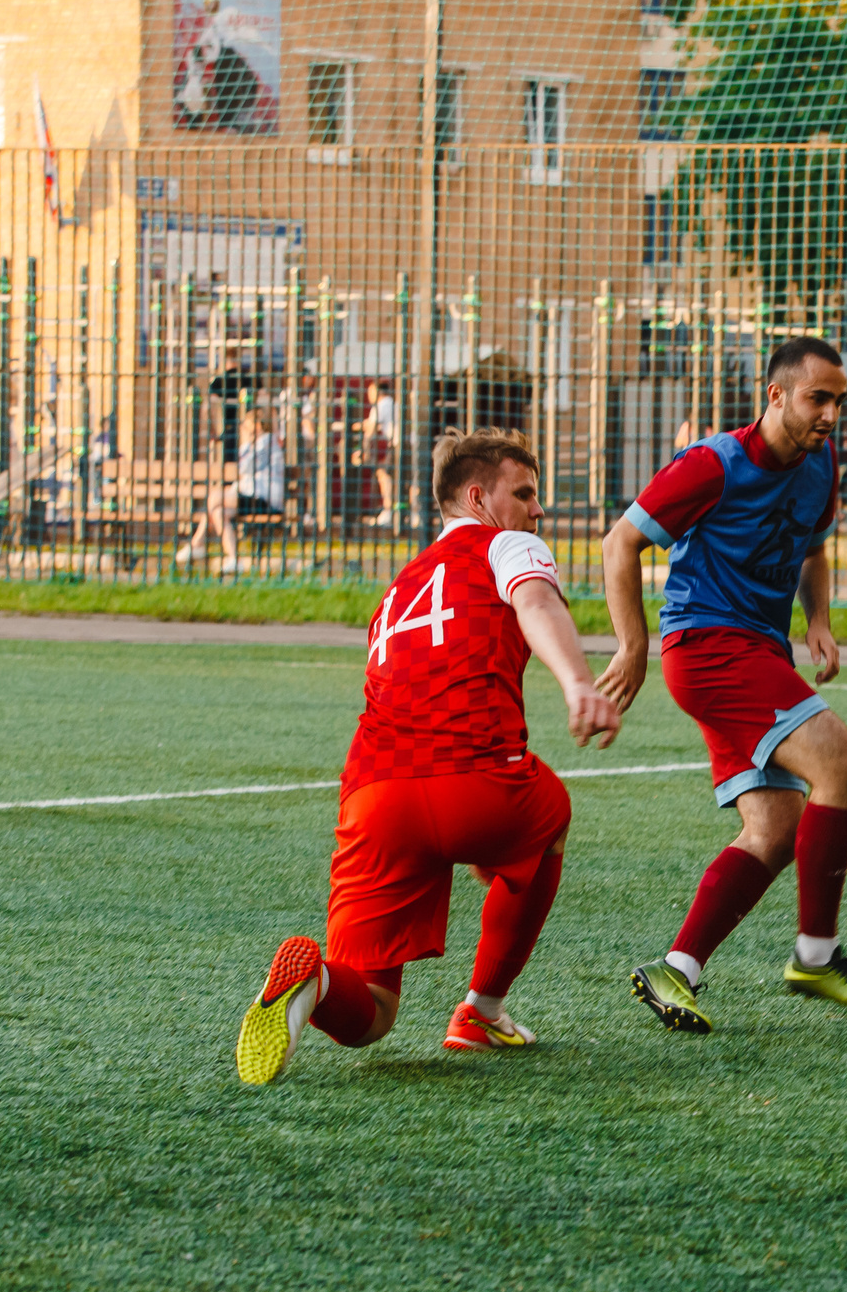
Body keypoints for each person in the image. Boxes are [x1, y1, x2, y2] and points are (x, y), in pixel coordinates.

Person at [232, 430, 623, 1086]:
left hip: (372, 797)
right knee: (551, 815)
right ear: (478, 496)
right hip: (473, 776)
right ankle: (481, 1011)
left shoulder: (398, 587)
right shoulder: (507, 544)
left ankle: (316, 983)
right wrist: (578, 682)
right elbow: (535, 600)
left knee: (375, 1010)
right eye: (524, 493)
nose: (537, 510)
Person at [604, 334, 847, 1032]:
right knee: (844, 765)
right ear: (776, 395)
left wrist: (819, 620)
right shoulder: (713, 464)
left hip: (759, 648)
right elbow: (621, 542)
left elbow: (815, 543)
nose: (831, 413)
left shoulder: (820, 461)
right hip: (709, 646)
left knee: (775, 828)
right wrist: (633, 644)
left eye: (839, 400)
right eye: (817, 398)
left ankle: (674, 970)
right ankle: (816, 955)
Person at [176, 407, 283, 571]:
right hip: (252, 496)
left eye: (247, 423)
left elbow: (243, 466)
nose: (244, 427)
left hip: (264, 500)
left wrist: (247, 440)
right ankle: (233, 558)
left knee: (215, 497)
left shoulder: (266, 442)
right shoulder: (260, 443)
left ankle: (197, 543)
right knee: (217, 511)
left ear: (258, 425)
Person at [359, 385, 399, 527]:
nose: (369, 395)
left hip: (395, 444)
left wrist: (363, 449)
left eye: (370, 391)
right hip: (401, 443)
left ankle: (388, 512)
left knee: (384, 475)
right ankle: (405, 513)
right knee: (401, 478)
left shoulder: (380, 405)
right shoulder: (394, 403)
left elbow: (372, 428)